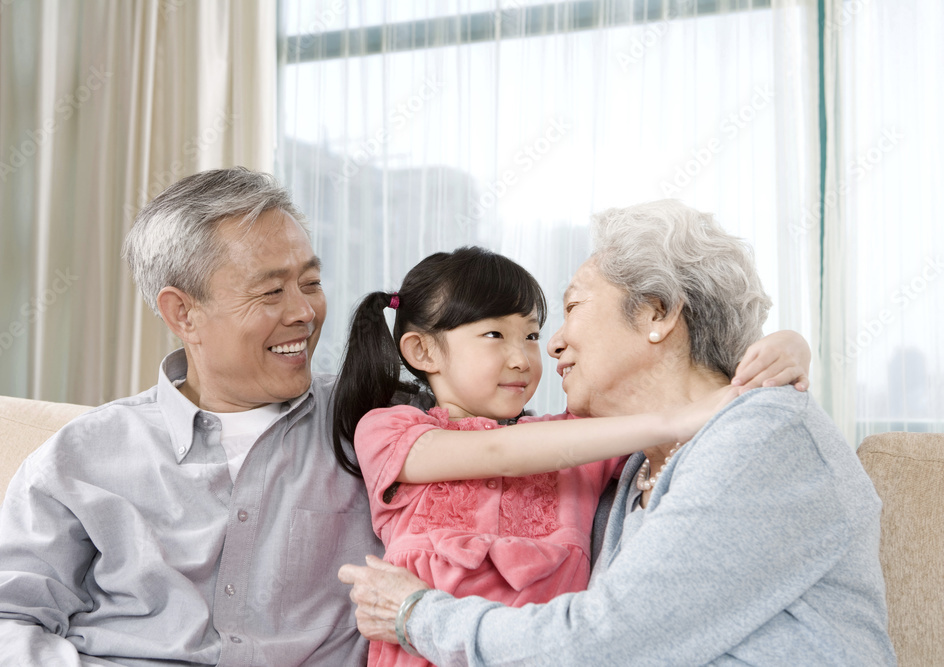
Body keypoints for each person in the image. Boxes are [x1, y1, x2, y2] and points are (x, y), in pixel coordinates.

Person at [338, 200, 896, 666]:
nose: (550, 346)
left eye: (571, 308)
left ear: (656, 311)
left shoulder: (762, 434)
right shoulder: (632, 464)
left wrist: (416, 614)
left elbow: (605, 642)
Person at [0, 168, 384, 665]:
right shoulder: (81, 456)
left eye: (311, 282)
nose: (305, 312)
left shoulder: (376, 425)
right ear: (183, 314)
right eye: (271, 292)